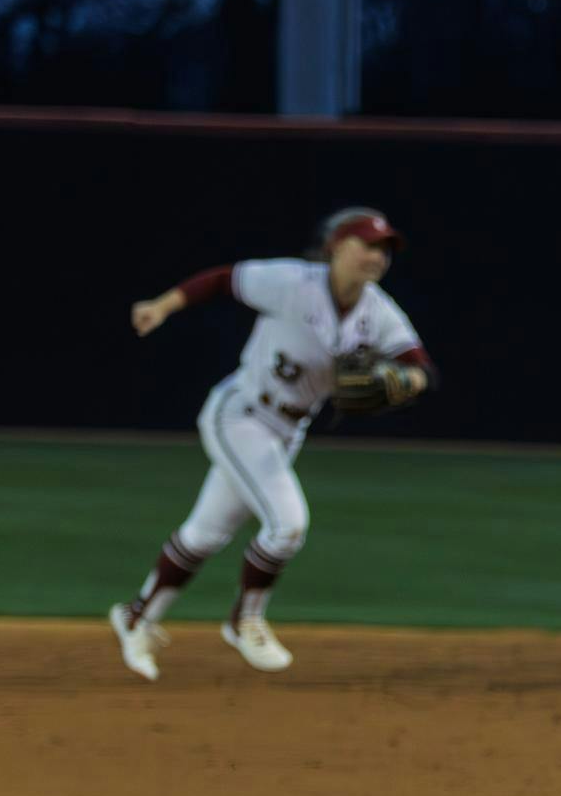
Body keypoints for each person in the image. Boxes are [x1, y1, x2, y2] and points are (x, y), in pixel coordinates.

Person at [108, 208, 436, 678]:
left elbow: (422, 367)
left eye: (384, 250)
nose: (376, 256)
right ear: (336, 247)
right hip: (240, 413)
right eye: (366, 244)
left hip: (288, 431)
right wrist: (163, 305)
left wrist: (410, 382)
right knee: (288, 525)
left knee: (205, 533)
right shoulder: (292, 282)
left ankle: (136, 617)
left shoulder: (378, 313)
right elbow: (224, 280)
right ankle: (246, 621)